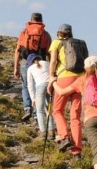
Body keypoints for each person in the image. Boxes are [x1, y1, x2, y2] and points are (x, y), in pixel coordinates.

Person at [48, 23, 86, 155]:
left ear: (59, 33)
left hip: (64, 78)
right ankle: (77, 151)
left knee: (57, 110)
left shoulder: (56, 43)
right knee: (75, 116)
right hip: (80, 79)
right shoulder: (79, 44)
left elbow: (53, 61)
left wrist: (51, 78)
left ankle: (64, 137)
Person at [13, 13, 51, 121]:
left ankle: (27, 108)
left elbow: (18, 51)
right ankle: (36, 113)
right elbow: (49, 52)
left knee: (25, 86)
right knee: (37, 87)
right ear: (41, 20)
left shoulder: (24, 32)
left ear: (31, 19)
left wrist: (16, 67)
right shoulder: (45, 34)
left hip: (25, 63)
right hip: (41, 63)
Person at [25, 52, 52, 137]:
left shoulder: (30, 68)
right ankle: (52, 130)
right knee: (49, 109)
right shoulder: (47, 63)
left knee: (39, 110)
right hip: (51, 85)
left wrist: (33, 98)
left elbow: (30, 85)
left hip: (40, 86)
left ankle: (43, 131)